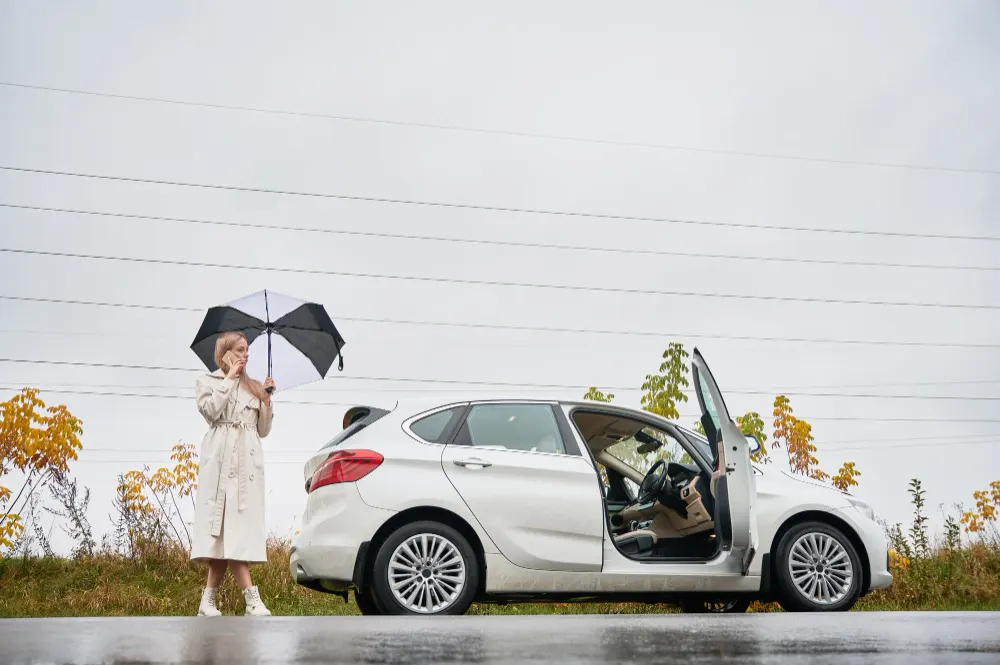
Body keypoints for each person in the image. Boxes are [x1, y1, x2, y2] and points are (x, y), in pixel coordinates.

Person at [191, 330, 276, 616]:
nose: (246, 354)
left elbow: (262, 431)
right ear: (225, 353)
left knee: (233, 534)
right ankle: (252, 599)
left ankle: (208, 601)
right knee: (225, 534)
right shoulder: (209, 381)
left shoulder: (253, 387)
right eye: (240, 350)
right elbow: (211, 412)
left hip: (247, 469)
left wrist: (267, 400)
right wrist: (228, 378)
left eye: (247, 349)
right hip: (220, 466)